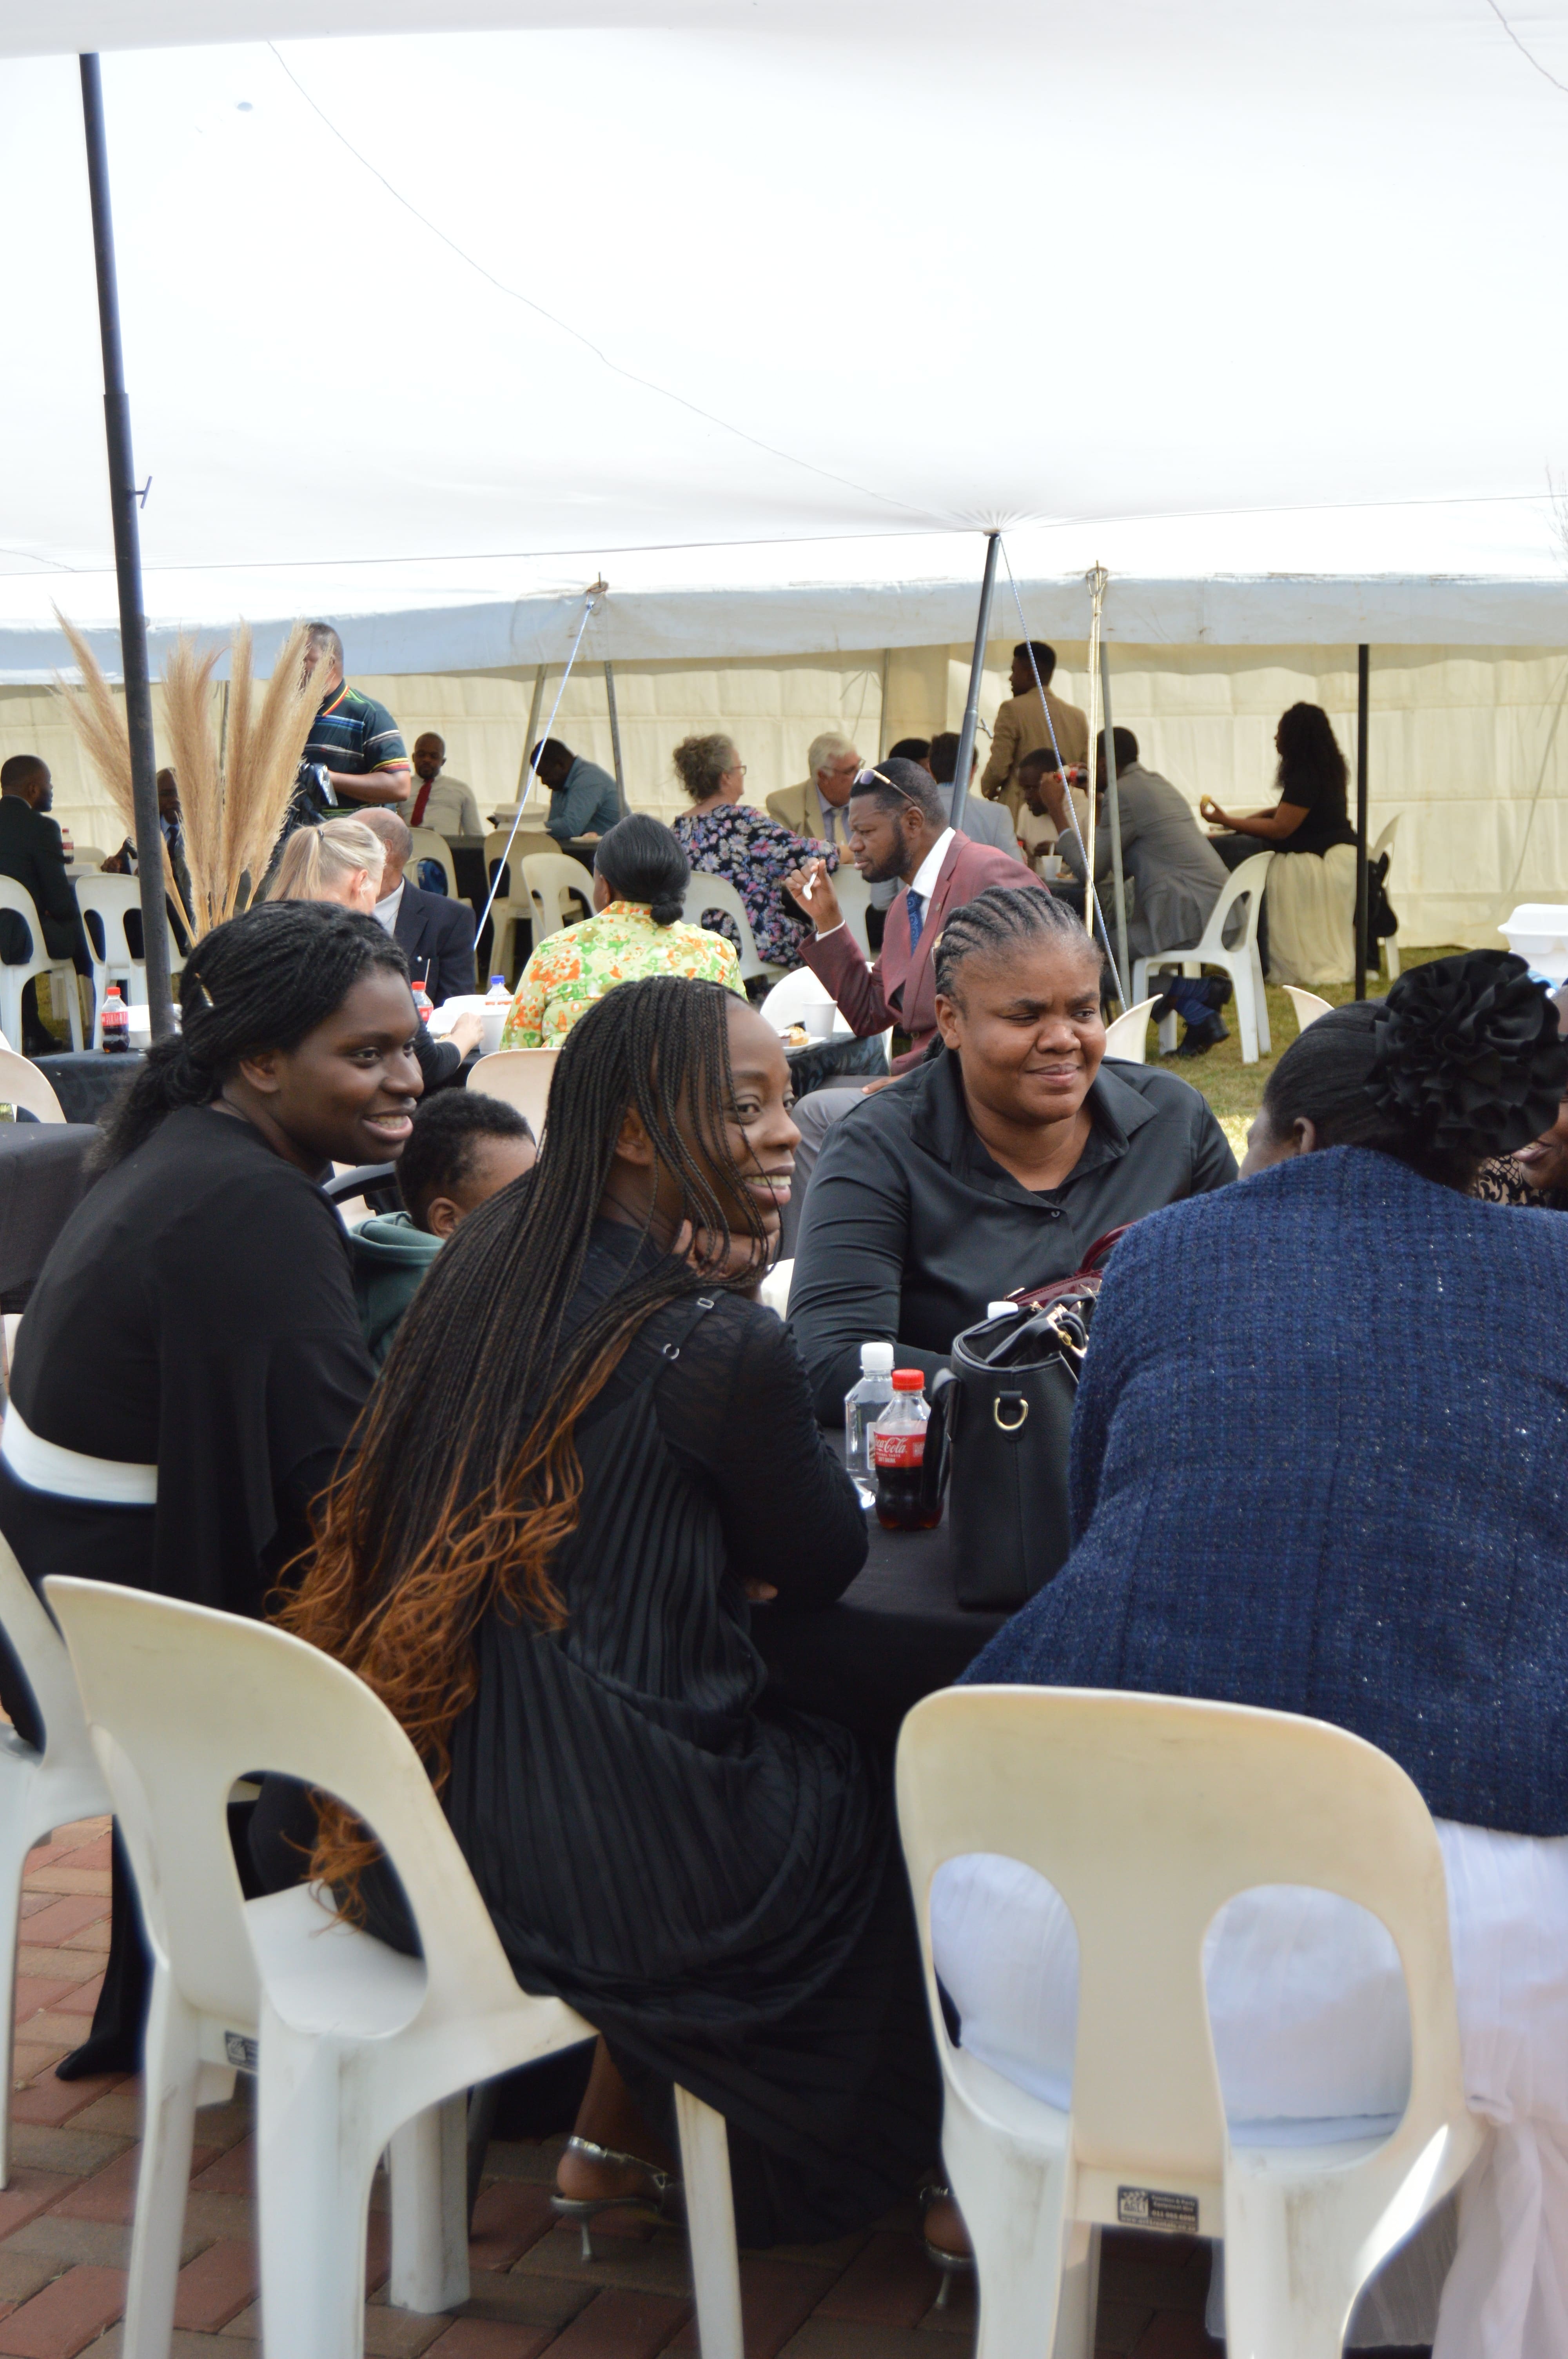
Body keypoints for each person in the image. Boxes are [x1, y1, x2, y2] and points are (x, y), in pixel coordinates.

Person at [937, 956, 1568, 2355]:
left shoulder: (1163, 1253)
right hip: (1429, 1994)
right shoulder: (1552, 1274)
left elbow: (1101, 1511)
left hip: (1063, 1961)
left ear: (1278, 1138)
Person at [276, 976, 943, 2248]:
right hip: (592, 1867)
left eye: (784, 1101)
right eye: (744, 1106)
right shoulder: (708, 1343)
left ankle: (610, 2137)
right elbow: (817, 1557)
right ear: (638, 1130)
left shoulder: (487, 1265)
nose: (786, 1131)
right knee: (874, 1776)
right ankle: (919, 2162)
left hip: (410, 1813)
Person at [0, 899, 418, 2073]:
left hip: (68, 1599)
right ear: (261, 1061)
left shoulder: (189, 1149)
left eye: (408, 1042)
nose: (408, 1079)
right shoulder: (251, 1207)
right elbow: (341, 1486)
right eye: (367, 1052)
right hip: (128, 1642)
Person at [786, 886, 1235, 1418]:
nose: (1063, 1038)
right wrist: (1026, 1391)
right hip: (976, 1475)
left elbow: (1245, 1306)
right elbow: (831, 1359)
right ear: (951, 1021)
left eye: (1084, 1012)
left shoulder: (1173, 1121)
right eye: (1026, 1017)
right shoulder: (879, 1148)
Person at [783, 757, 1042, 1070]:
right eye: (853, 832)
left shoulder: (988, 873)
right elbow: (869, 1014)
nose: (854, 845)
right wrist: (828, 918)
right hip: (926, 1084)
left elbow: (1033, 1003)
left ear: (913, 823)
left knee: (817, 1109)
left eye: (865, 831)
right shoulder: (904, 908)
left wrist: (930, 1086)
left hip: (973, 1087)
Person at [1052, 727, 1240, 1054]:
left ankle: (1193, 993)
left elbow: (1093, 872)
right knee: (1100, 953)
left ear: (1103, 761)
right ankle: (1197, 1004)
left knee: (1087, 955)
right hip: (1217, 910)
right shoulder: (1152, 783)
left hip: (1190, 916)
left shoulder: (1124, 793)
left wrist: (1058, 811)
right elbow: (1115, 851)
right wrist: (1097, 796)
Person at [503, 811, 744, 1046]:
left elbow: (514, 1056)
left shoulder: (554, 954)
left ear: (604, 887)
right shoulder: (717, 954)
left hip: (579, 1088)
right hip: (685, 1088)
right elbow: (740, 1046)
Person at [271, 815, 483, 1082]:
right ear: (361, 882)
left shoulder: (257, 928)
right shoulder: (366, 950)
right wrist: (465, 1035)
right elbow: (427, 1065)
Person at [349, 1090, 536, 1365]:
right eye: (521, 1201)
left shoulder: (384, 1247)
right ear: (448, 1222)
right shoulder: (460, 1310)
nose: (543, 1211)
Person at [1200, 701, 1359, 986]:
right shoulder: (1322, 768)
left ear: (1296, 737)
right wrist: (1247, 819)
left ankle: (1246, 948)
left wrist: (1230, 821)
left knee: (1242, 859)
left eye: (1280, 732)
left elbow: (1281, 828)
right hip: (1336, 850)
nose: (1276, 739)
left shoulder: (1306, 775)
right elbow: (1289, 812)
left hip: (1316, 860)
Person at [670, 734, 835, 970]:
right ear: (726, 777)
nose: (742, 775)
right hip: (755, 944)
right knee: (826, 944)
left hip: (696, 947)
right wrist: (844, 850)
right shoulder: (743, 822)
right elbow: (811, 855)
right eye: (740, 769)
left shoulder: (677, 830)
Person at [0, 754, 89, 1052]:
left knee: (26, 923)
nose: (52, 790)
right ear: (33, 789)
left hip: (7, 937)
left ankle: (30, 1028)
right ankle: (113, 1015)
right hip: (22, 942)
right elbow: (61, 903)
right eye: (49, 784)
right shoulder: (41, 827)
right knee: (89, 930)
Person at [291, 624, 411, 827]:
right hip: (295, 847)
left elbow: (399, 787)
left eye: (303, 660)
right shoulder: (288, 718)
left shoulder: (369, 715)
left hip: (349, 847)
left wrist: (328, 778)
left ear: (328, 663)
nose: (294, 669)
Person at [359, 809, 477, 1004]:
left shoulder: (449, 918)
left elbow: (456, 1007)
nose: (337, 852)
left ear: (384, 850)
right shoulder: (324, 910)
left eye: (349, 843)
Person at [979, 643, 1090, 823]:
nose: (1010, 679)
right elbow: (1083, 771)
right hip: (1066, 816)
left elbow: (998, 768)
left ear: (1030, 673)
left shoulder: (1012, 710)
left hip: (1022, 814)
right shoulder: (1077, 717)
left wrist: (988, 790)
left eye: (1015, 671)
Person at [103, 767, 193, 924]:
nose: (175, 799)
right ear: (153, 797)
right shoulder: (143, 831)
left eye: (180, 793)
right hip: (149, 913)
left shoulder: (199, 833)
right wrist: (114, 864)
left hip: (188, 913)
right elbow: (121, 858)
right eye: (167, 794)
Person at [926, 731, 1023, 857]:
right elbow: (1014, 870)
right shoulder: (997, 815)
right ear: (972, 770)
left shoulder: (912, 811)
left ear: (930, 770)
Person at [766, 732, 863, 852]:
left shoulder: (872, 800)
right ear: (823, 776)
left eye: (860, 766)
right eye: (850, 771)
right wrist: (842, 855)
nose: (860, 775)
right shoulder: (785, 806)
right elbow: (785, 857)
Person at [528, 738, 621, 845]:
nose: (543, 782)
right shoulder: (560, 784)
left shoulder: (589, 779)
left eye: (546, 775)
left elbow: (570, 827)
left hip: (620, 852)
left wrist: (532, 827)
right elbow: (555, 830)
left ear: (561, 765)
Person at [399, 734, 485, 840]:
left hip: (448, 852)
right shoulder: (399, 788)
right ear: (413, 758)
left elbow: (475, 836)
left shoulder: (461, 790)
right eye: (422, 755)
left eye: (434, 756)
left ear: (443, 762)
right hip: (412, 850)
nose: (427, 760)